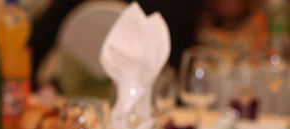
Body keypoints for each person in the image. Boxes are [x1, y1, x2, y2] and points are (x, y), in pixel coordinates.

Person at [29, 0, 205, 85]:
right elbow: (187, 67)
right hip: (156, 109)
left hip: (81, 113)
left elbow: (37, 42)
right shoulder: (186, 5)